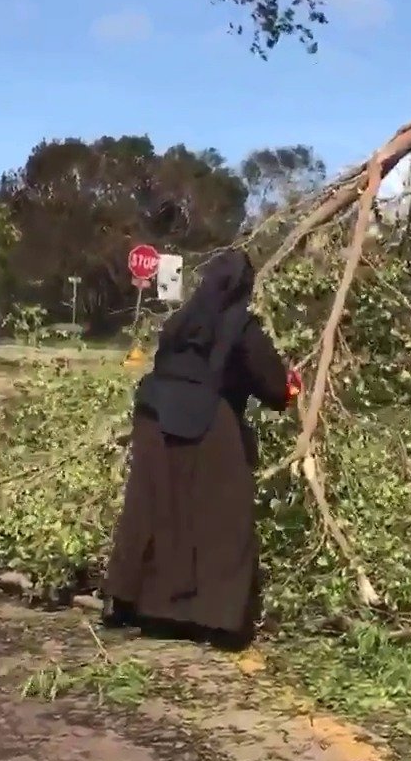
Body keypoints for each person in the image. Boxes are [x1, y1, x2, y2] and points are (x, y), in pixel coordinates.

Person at [103, 248, 300, 647]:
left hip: (153, 416)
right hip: (207, 420)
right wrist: (291, 387)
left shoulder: (180, 322)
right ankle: (218, 621)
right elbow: (275, 386)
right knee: (224, 519)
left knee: (152, 507)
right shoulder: (242, 326)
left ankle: (128, 602)